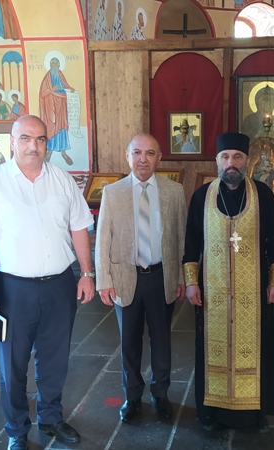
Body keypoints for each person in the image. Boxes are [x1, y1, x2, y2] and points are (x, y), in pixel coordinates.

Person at [0, 115, 95, 450]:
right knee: (12, 363)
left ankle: (51, 418)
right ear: (12, 142)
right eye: (25, 138)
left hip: (59, 284)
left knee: (55, 357)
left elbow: (79, 227)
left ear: (46, 144)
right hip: (12, 289)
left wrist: (87, 273)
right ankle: (16, 430)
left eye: (40, 139)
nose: (33, 146)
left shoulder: (62, 180)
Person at [183, 132, 274, 433]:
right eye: (225, 157)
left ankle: (254, 415)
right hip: (212, 291)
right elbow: (192, 243)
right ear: (217, 161)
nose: (231, 163)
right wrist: (191, 282)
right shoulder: (202, 196)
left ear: (247, 161)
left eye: (238, 157)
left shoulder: (263, 195)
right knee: (210, 348)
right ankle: (210, 413)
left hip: (253, 293)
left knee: (257, 349)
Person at [95, 134, 186, 424]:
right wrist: (104, 280)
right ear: (127, 156)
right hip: (126, 277)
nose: (142, 159)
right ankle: (132, 396)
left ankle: (161, 394)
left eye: (149, 153)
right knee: (129, 342)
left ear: (159, 157)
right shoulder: (113, 193)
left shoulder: (174, 191)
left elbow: (181, 237)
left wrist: (182, 275)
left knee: (162, 341)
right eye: (136, 153)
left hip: (161, 276)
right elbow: (102, 240)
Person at [39, 58, 75, 165]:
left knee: (62, 126)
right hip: (51, 106)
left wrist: (70, 89)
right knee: (52, 126)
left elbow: (65, 86)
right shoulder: (47, 77)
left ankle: (64, 153)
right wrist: (52, 89)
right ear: (50, 65)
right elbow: (43, 93)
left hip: (61, 105)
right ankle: (49, 151)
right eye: (53, 63)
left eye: (56, 63)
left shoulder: (60, 74)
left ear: (59, 65)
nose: (55, 65)